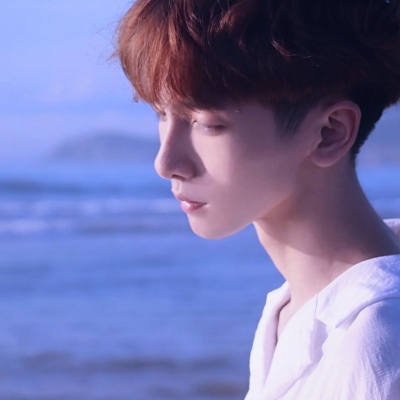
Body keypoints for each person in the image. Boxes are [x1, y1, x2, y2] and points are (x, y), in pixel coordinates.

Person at [115, 0, 400, 398]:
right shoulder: (296, 310)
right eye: (161, 114)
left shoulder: (373, 341)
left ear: (330, 132)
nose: (166, 163)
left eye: (208, 124)